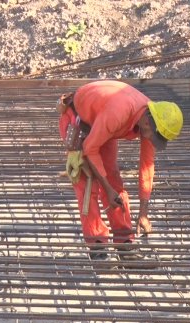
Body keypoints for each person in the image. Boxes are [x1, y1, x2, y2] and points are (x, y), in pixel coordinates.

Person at [56, 80, 183, 260]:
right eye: (154, 136)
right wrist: (107, 188)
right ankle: (97, 247)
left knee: (113, 178)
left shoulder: (153, 120)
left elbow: (147, 166)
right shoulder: (119, 113)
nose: (151, 140)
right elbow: (90, 148)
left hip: (102, 123)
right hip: (79, 121)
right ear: (148, 123)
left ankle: (124, 243)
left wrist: (144, 213)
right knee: (87, 184)